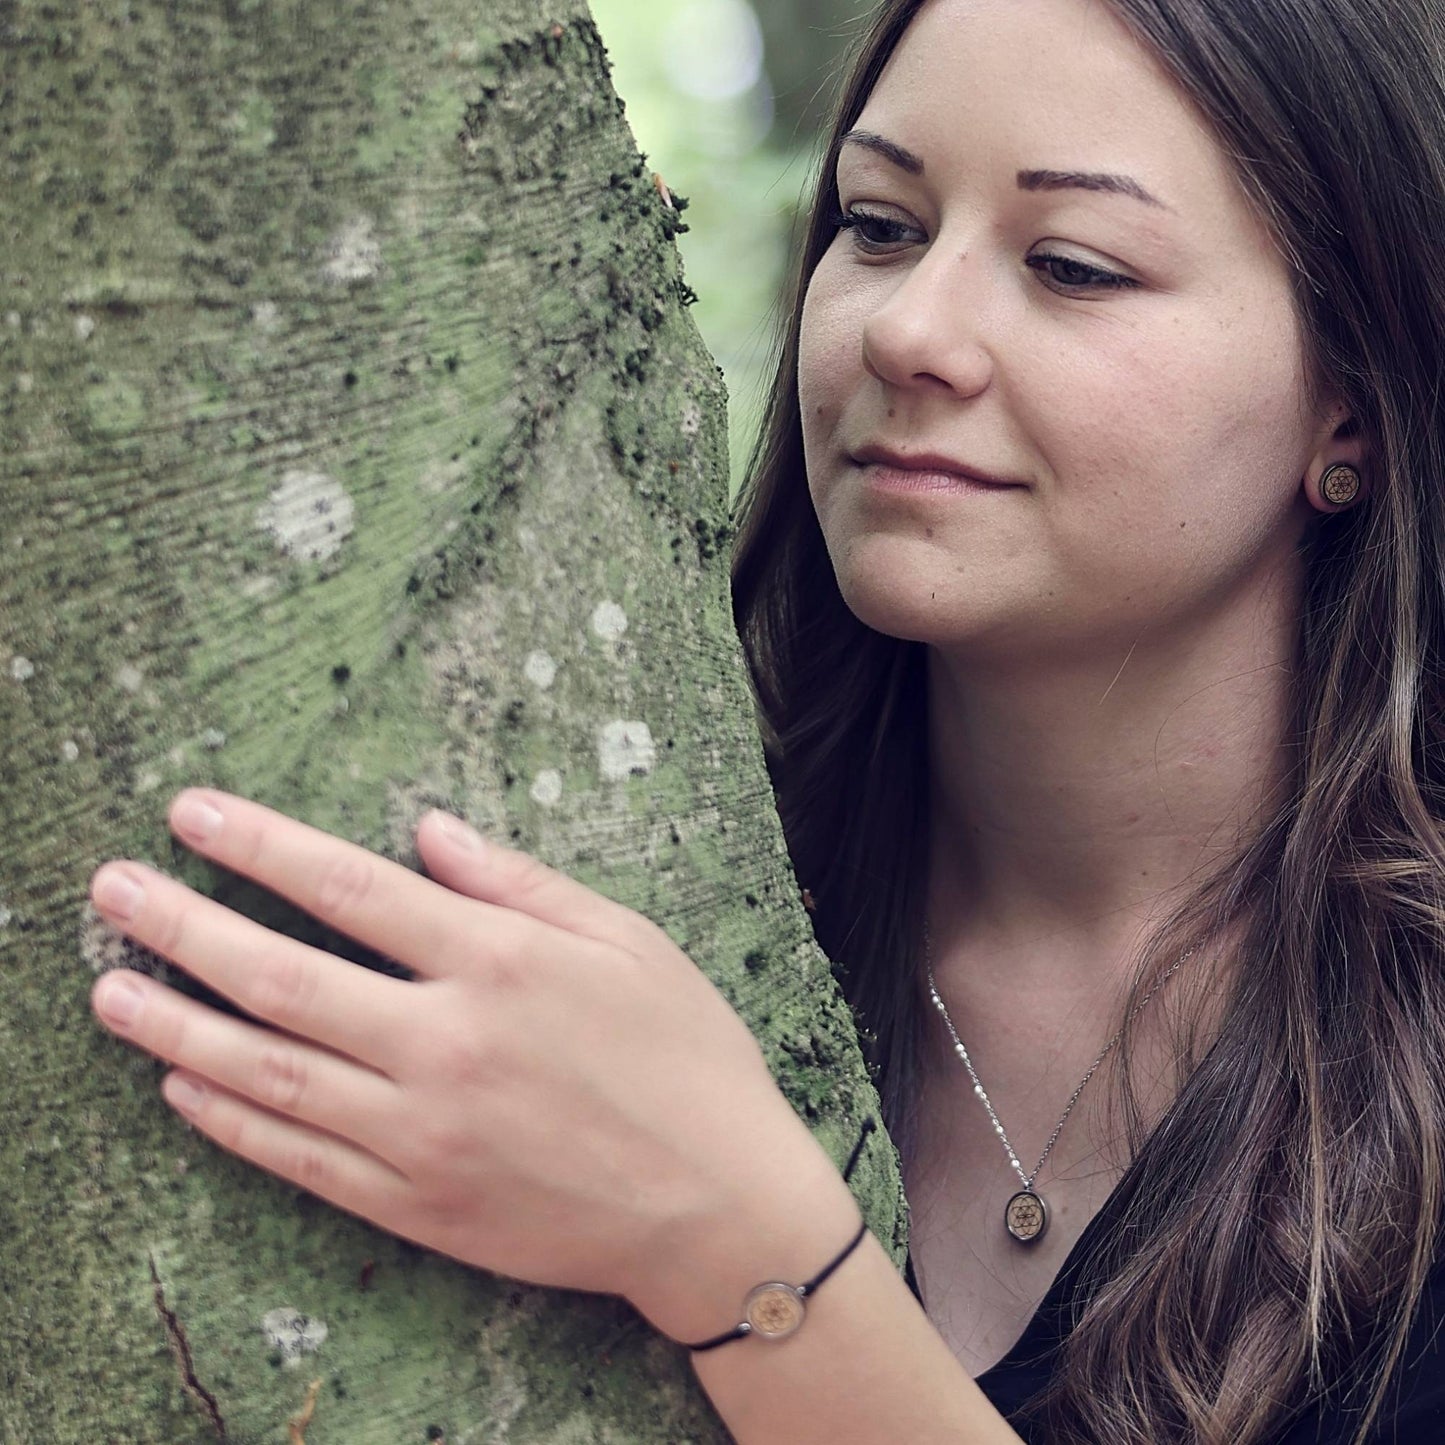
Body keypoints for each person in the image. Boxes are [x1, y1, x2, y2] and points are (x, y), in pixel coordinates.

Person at [86, 0, 1445, 1440]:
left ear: (1346, 410)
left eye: (1070, 265)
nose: (909, 329)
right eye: (877, 224)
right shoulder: (665, 852)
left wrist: (738, 1244)